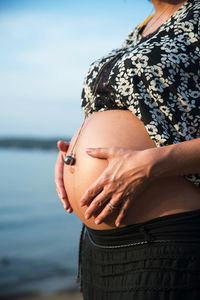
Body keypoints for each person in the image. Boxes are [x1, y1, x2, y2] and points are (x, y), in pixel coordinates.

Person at [55, 0, 200, 299]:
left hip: (167, 239)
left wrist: (151, 164)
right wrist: (74, 155)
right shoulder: (141, 29)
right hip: (99, 248)